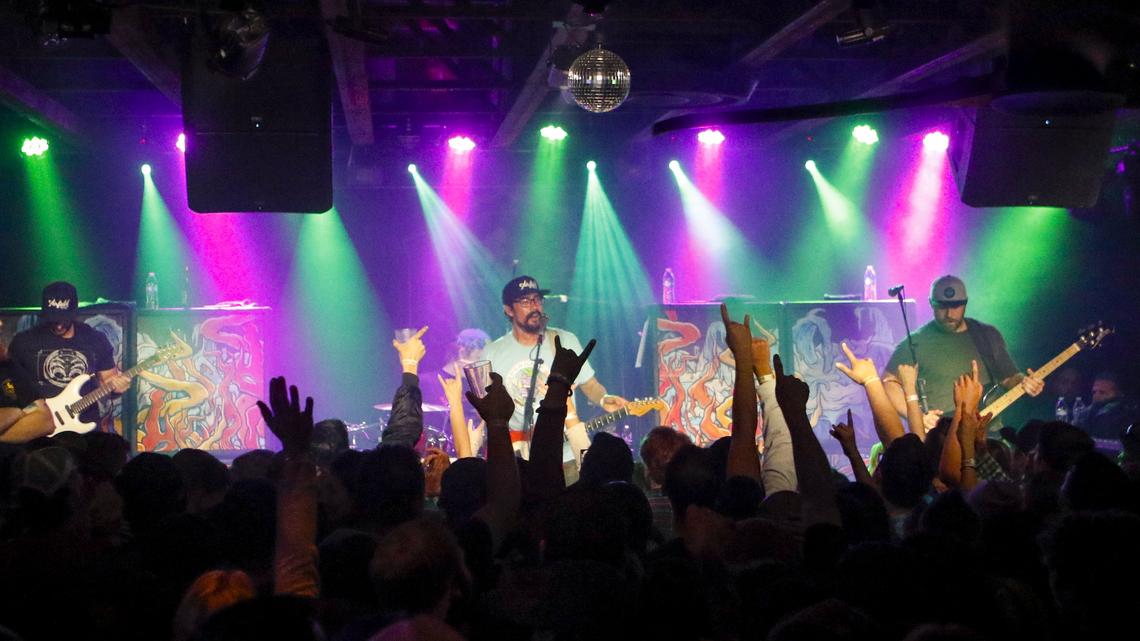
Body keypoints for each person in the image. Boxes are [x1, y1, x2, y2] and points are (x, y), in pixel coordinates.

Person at [482, 275, 627, 464]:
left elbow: (589, 384)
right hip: (517, 457)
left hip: (565, 456)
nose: (534, 307)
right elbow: (485, 407)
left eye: (537, 299)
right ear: (508, 310)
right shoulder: (491, 353)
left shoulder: (565, 341)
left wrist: (603, 398)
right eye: (525, 301)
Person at [883, 275, 1043, 427]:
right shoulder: (914, 342)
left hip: (987, 432)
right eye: (942, 306)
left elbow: (1008, 378)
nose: (949, 314)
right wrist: (917, 416)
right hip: (942, 436)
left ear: (965, 303)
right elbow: (889, 382)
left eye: (956, 306)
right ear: (931, 303)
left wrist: (1025, 382)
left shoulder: (986, 334)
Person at [6, 281, 131, 430]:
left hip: (85, 425)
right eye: (54, 319)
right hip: (38, 426)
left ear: (74, 313)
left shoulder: (94, 338)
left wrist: (118, 387)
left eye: (64, 319)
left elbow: (108, 381)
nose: (59, 325)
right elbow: (8, 384)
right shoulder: (24, 341)